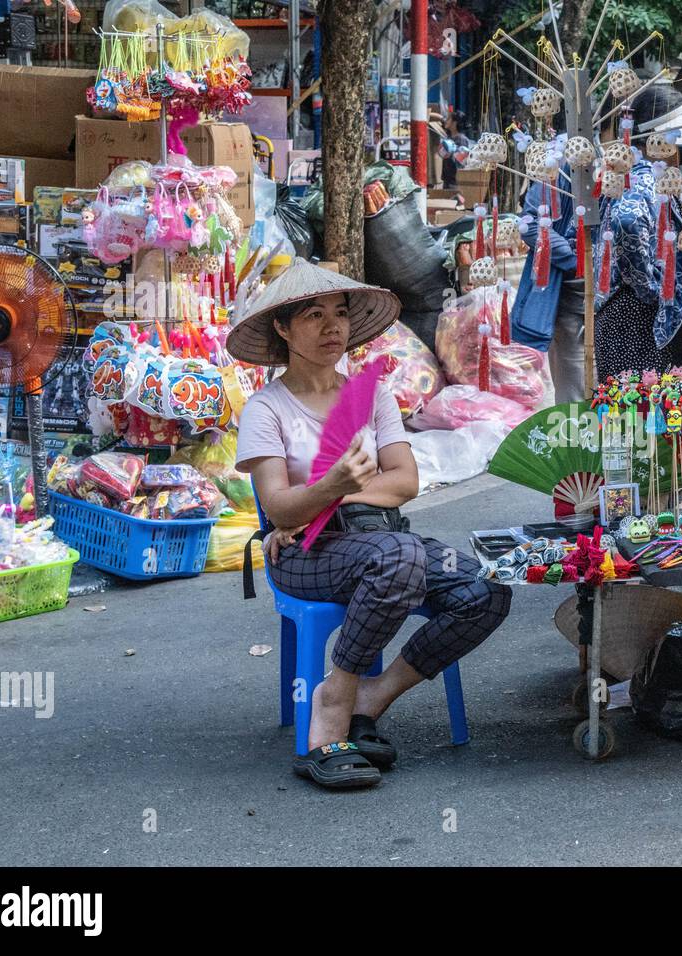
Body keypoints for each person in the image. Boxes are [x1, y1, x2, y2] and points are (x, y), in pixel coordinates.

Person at [230, 259, 511, 790]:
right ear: (284, 330)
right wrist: (320, 496)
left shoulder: (370, 394)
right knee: (399, 558)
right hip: (307, 556)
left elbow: (404, 481)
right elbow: (279, 509)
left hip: (379, 539)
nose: (332, 326)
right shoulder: (267, 409)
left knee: (488, 587)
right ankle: (332, 709)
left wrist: (324, 494)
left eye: (339, 313)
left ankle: (372, 695)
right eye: (314, 316)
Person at [594, 84, 682, 379]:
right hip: (635, 322)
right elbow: (626, 222)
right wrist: (651, 288)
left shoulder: (646, 177)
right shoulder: (641, 180)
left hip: (637, 320)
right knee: (638, 415)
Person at [509, 168, 587, 402]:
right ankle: (576, 436)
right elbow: (530, 226)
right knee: (573, 388)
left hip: (614, 295)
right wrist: (575, 261)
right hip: (572, 290)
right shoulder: (560, 167)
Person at [438, 109, 470, 188]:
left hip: (455, 182)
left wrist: (452, 153)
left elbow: (462, 162)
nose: (446, 121)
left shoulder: (462, 139)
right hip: (447, 179)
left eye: (449, 119)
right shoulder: (449, 137)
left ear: (454, 123)